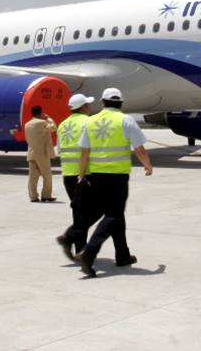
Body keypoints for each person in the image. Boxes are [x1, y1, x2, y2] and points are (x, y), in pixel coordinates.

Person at [73, 88, 153, 277]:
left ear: (103, 102)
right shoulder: (125, 120)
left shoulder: (90, 121)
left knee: (115, 216)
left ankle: (122, 255)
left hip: (96, 176)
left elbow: (85, 152)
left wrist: (82, 174)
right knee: (113, 216)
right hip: (117, 176)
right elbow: (139, 149)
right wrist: (147, 166)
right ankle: (88, 253)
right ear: (121, 103)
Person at [55, 93, 95, 258]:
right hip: (85, 173)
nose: (90, 107)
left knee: (78, 212)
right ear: (84, 107)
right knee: (94, 211)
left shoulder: (62, 125)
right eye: (88, 104)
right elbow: (93, 148)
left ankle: (79, 248)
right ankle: (69, 238)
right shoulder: (88, 122)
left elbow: (59, 149)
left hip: (68, 174)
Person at [23, 105, 57, 203]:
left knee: (33, 177)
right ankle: (46, 195)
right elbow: (54, 127)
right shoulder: (43, 122)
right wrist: (48, 118)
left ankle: (33, 196)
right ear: (40, 113)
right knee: (47, 175)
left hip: (31, 152)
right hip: (42, 153)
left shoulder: (27, 124)